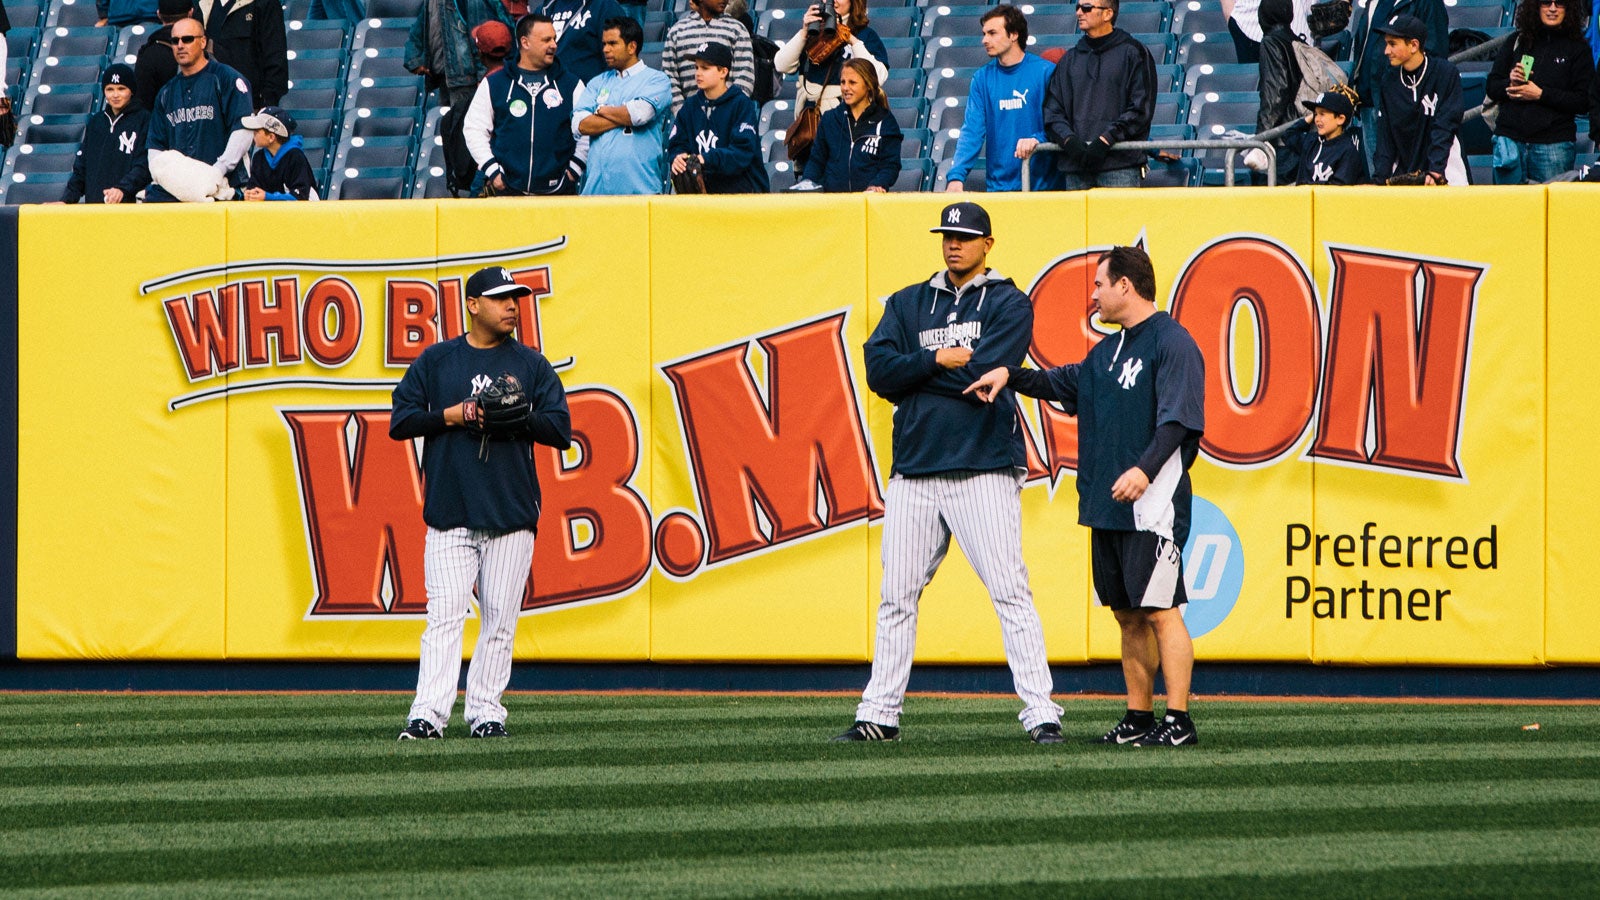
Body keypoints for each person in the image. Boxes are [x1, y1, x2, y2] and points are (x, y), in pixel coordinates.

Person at [833, 201, 1065, 746]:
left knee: (1010, 592)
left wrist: (917, 373)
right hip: (915, 469)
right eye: (947, 235)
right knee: (896, 596)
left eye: (964, 236)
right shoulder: (912, 300)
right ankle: (879, 715)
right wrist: (935, 362)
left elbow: (987, 372)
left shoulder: (1009, 301)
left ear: (988, 243)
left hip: (982, 466)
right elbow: (877, 371)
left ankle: (1042, 713)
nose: (953, 243)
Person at [966, 245, 1204, 748]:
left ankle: (1179, 720)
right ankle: (1139, 718)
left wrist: (1144, 469)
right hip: (1106, 502)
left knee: (1162, 609)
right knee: (1126, 612)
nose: (1093, 294)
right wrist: (1012, 375)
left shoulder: (1172, 341)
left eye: (1099, 284)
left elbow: (1179, 421)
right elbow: (1059, 381)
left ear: (1126, 285)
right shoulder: (1108, 351)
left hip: (1153, 505)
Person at [390, 265, 573, 741]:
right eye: (500, 298)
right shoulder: (437, 361)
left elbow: (560, 430)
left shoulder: (532, 365)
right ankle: (428, 714)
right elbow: (401, 419)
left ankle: (486, 711)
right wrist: (454, 415)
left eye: (516, 298)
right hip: (450, 511)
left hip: (511, 514)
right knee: (444, 617)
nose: (512, 305)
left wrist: (521, 418)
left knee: (499, 621)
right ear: (473, 305)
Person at [463, 14, 590, 196]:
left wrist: (573, 170)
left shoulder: (571, 85)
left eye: (554, 38)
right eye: (546, 40)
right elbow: (474, 129)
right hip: (508, 194)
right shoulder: (495, 83)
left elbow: (586, 131)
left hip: (558, 195)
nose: (554, 44)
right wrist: (493, 171)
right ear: (525, 42)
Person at [944, 5, 1063, 192]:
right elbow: (972, 130)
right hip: (999, 189)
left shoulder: (1045, 72)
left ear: (1014, 34)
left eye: (992, 33)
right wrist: (957, 176)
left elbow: (1060, 122)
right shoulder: (982, 78)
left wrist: (1036, 139)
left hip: (1043, 188)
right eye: (984, 34)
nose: (985, 40)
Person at [1042, 0, 1157, 189]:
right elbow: (1052, 111)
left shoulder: (1134, 53)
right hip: (1076, 167)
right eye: (1077, 7)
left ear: (1107, 14)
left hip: (1120, 166)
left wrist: (1105, 140)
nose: (1079, 12)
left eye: (1086, 8)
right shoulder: (1069, 60)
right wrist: (1070, 142)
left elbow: (1140, 108)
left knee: (1119, 220)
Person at [145, 17, 255, 203]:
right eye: (175, 41)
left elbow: (243, 130)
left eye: (187, 39)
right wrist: (173, 178)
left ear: (203, 42)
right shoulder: (166, 92)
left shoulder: (227, 79)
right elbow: (156, 149)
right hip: (181, 191)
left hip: (225, 186)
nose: (180, 45)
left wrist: (218, 170)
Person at [1486, 0, 1594, 184]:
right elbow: (1492, 86)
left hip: (1553, 145)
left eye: (1559, 3)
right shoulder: (1516, 41)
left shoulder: (1578, 48)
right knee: (1507, 210)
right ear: (1535, 6)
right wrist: (1510, 83)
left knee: (1552, 211)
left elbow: (1584, 100)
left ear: (1568, 8)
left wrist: (1540, 94)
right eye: (1546, 2)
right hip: (1509, 142)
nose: (1552, 8)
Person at [573, 16, 673, 194]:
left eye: (612, 43)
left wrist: (602, 110)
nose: (605, 49)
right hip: (596, 192)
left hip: (640, 190)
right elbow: (579, 124)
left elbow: (640, 114)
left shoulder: (657, 80)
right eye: (604, 44)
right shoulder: (597, 82)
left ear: (632, 47)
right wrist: (623, 115)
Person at [1370, 14, 1467, 185]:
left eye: (1392, 44)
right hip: (1405, 170)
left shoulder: (1445, 73)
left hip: (1445, 167)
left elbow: (1445, 126)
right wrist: (1379, 180)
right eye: (1386, 44)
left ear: (1414, 45)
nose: (1386, 51)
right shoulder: (1389, 81)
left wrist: (1436, 170)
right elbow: (1385, 137)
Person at [666, 41, 767, 193]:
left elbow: (742, 153)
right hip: (705, 196)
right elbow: (677, 142)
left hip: (743, 196)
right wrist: (678, 157)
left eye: (705, 68)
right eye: (696, 67)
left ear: (723, 72)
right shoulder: (690, 106)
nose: (698, 73)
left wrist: (705, 159)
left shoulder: (741, 104)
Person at [1351, 0, 1447, 150]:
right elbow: (1363, 46)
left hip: (1401, 105)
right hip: (1368, 102)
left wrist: (1409, 97)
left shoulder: (1428, 3)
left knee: (1405, 170)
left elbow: (1434, 54)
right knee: (1378, 171)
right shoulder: (1375, 2)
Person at [795, 58, 901, 191]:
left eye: (852, 83)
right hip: (833, 204)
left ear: (868, 85)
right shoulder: (830, 119)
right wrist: (807, 183)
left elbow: (890, 165)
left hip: (867, 204)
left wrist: (877, 184)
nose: (845, 88)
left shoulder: (885, 121)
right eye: (843, 82)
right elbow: (817, 161)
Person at [57, 64, 152, 204]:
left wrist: (122, 189)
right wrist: (66, 200)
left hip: (129, 208)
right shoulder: (96, 122)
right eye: (110, 89)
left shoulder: (144, 120)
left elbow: (144, 165)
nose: (115, 95)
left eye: (121, 89)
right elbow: (82, 168)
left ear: (131, 91)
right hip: (95, 208)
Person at [772, 0, 888, 114]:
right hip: (811, 115)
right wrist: (804, 32)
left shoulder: (866, 35)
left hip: (845, 114)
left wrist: (852, 41)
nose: (833, 2)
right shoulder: (814, 29)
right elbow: (781, 65)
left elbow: (878, 77)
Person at [407, 0, 516, 110]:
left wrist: (483, 76)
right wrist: (415, 59)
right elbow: (420, 27)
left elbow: (482, 39)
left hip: (467, 79)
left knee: (466, 123)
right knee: (450, 123)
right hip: (443, 77)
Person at [662, 0, 756, 114]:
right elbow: (669, 78)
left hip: (728, 118)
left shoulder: (737, 29)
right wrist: (684, 116)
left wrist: (726, 113)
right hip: (689, 120)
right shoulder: (677, 31)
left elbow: (745, 78)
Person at [193, 0, 287, 110]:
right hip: (210, 106)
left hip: (251, 106)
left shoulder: (264, 3)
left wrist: (267, 106)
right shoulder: (203, 5)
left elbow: (275, 58)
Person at [1255, 0, 1306, 183]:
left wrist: (1261, 137)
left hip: (1281, 141)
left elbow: (1275, 92)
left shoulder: (1271, 42)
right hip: (1298, 135)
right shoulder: (1297, 40)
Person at [1286, 87, 1369, 183]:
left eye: (1322, 114)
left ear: (1340, 119)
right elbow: (1289, 134)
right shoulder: (1311, 140)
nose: (1317, 119)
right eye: (1315, 114)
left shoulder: (1348, 150)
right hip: (1305, 197)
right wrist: (1311, 118)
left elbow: (1338, 188)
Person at [537, 0, 630, 85]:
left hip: (588, 95)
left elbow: (619, 62)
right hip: (547, 93)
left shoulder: (605, 7)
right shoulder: (544, 9)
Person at [239, 106, 317, 200]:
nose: (253, 134)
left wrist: (267, 197)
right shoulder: (258, 157)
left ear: (271, 137)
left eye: (256, 131)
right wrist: (250, 194)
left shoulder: (295, 157)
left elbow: (301, 196)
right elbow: (254, 186)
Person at [133, 0, 191, 112]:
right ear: (191, 13)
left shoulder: (148, 54)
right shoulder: (204, 47)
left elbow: (142, 104)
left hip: (163, 125)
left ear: (159, 14)